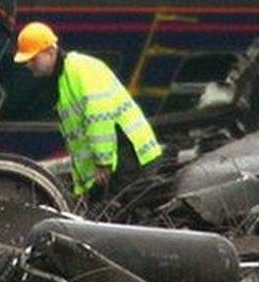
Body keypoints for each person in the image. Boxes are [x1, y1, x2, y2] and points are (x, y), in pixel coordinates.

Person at [13, 21, 162, 201]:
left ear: (51, 51)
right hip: (117, 159)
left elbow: (99, 117)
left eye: (33, 59)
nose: (29, 65)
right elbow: (77, 142)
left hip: (129, 155)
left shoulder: (80, 69)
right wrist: (82, 186)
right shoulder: (62, 81)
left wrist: (103, 162)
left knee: (120, 217)